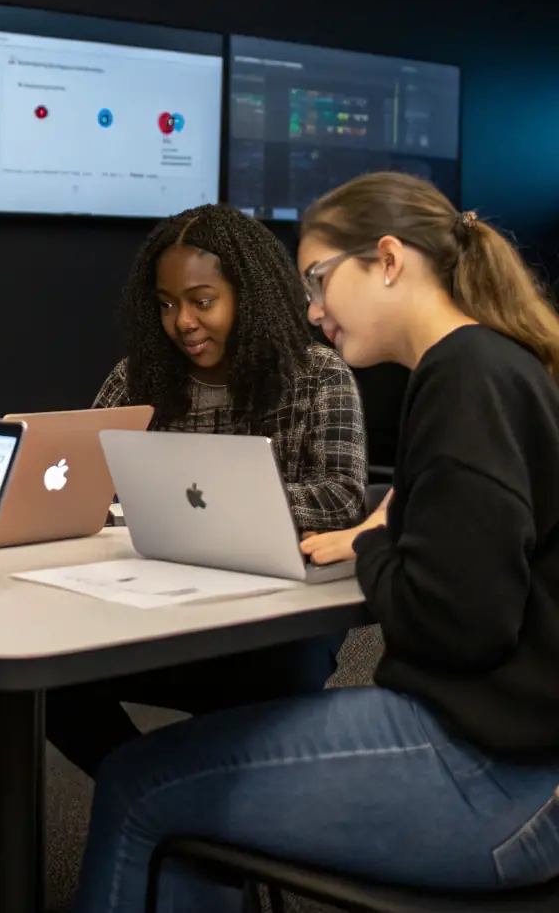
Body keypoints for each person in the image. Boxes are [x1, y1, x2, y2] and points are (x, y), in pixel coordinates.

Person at [73, 172, 559, 913]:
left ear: (388, 260)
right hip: (510, 755)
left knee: (139, 786)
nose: (313, 308)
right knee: (160, 778)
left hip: (494, 773)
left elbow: (457, 624)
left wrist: (372, 544)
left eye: (321, 279)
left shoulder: (465, 377)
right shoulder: (488, 366)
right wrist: (395, 528)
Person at [73, 203, 367, 726]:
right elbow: (83, 480)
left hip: (277, 614)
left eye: (201, 301)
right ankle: (143, 785)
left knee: (278, 684)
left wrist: (229, 503)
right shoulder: (140, 378)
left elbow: (342, 498)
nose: (182, 323)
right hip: (158, 599)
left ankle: (161, 790)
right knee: (48, 677)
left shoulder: (318, 375)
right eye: (166, 305)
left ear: (249, 298)